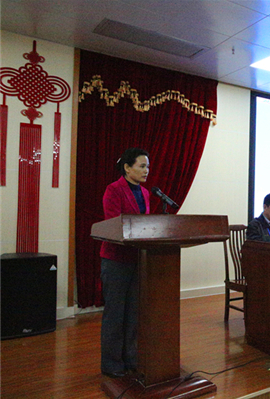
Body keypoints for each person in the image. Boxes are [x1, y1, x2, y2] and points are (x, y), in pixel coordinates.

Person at [100, 148, 150, 378]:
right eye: (142, 166)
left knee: (133, 313)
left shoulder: (146, 193)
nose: (146, 171)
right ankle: (111, 364)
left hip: (138, 259)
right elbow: (113, 224)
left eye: (147, 167)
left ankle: (131, 358)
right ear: (127, 168)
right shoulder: (113, 189)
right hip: (116, 260)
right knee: (115, 313)